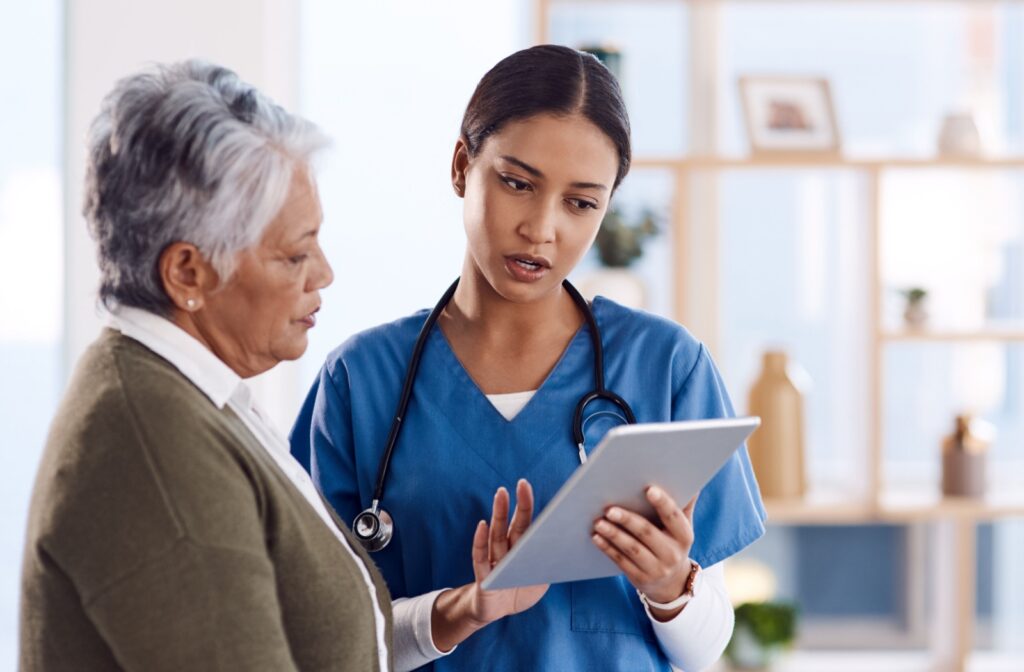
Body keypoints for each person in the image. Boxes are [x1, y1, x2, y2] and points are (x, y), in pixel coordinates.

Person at [20, 60, 537, 672]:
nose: (323, 274)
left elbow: (321, 647)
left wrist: (463, 610)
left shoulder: (189, 399)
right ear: (188, 272)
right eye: (294, 256)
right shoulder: (157, 448)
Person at [291, 45, 766, 671]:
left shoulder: (667, 367)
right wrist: (459, 610)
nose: (542, 229)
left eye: (580, 203)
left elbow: (708, 646)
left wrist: (669, 586)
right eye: (517, 183)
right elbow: (323, 634)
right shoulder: (360, 381)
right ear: (462, 166)